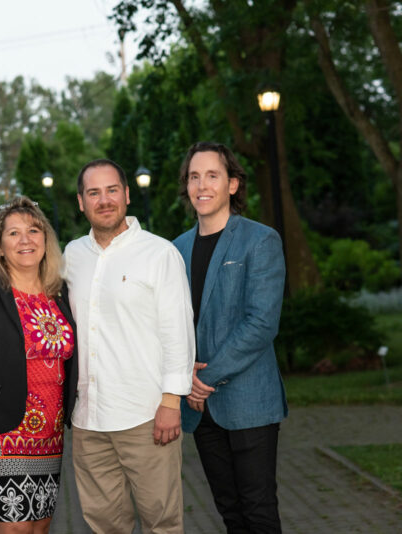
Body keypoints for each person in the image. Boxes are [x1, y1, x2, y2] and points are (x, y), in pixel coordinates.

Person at [63, 158, 195, 534]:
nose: (104, 200)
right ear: (80, 202)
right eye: (94, 193)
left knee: (161, 522)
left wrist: (172, 402)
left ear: (126, 196)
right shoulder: (71, 256)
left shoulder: (159, 253)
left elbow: (178, 332)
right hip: (88, 420)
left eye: (111, 190)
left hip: (146, 416)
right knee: (105, 525)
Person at [172, 141, 287, 533]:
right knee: (229, 512)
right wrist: (181, 374)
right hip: (199, 408)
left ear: (233, 184)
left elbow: (260, 323)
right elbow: (172, 324)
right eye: (194, 176)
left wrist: (203, 378)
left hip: (248, 400)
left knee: (258, 511)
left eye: (212, 175)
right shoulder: (176, 249)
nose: (201, 185)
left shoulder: (260, 240)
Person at [0, 196, 78, 534]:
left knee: (39, 527)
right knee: (15, 529)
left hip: (50, 438)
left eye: (33, 230)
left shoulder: (59, 293)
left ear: (46, 240)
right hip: (2, 436)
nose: (26, 240)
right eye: (13, 233)